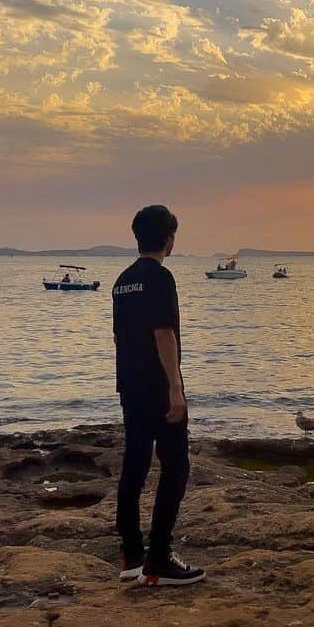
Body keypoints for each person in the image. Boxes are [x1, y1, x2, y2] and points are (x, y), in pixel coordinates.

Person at [111, 204, 205, 587]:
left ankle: (132, 556)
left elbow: (119, 337)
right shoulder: (160, 278)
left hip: (130, 386)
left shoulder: (122, 281)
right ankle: (160, 557)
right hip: (158, 388)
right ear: (169, 239)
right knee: (175, 466)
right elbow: (164, 334)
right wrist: (176, 387)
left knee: (134, 466)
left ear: (137, 237)